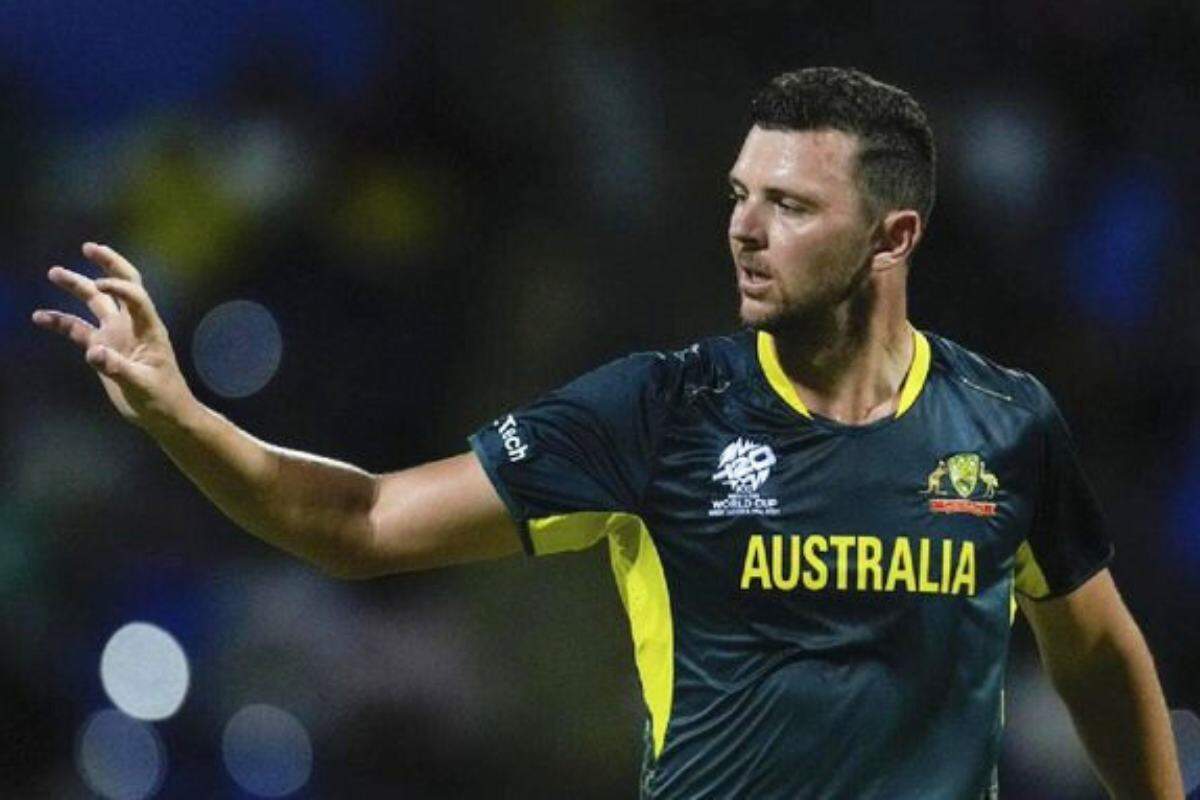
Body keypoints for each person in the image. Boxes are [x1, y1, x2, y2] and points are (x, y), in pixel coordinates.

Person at [33, 67, 1183, 799]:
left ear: (892, 237)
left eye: (789, 205)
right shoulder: (657, 411)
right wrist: (183, 415)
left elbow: (1096, 652)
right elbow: (361, 519)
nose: (745, 229)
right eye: (740, 195)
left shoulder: (1003, 424)